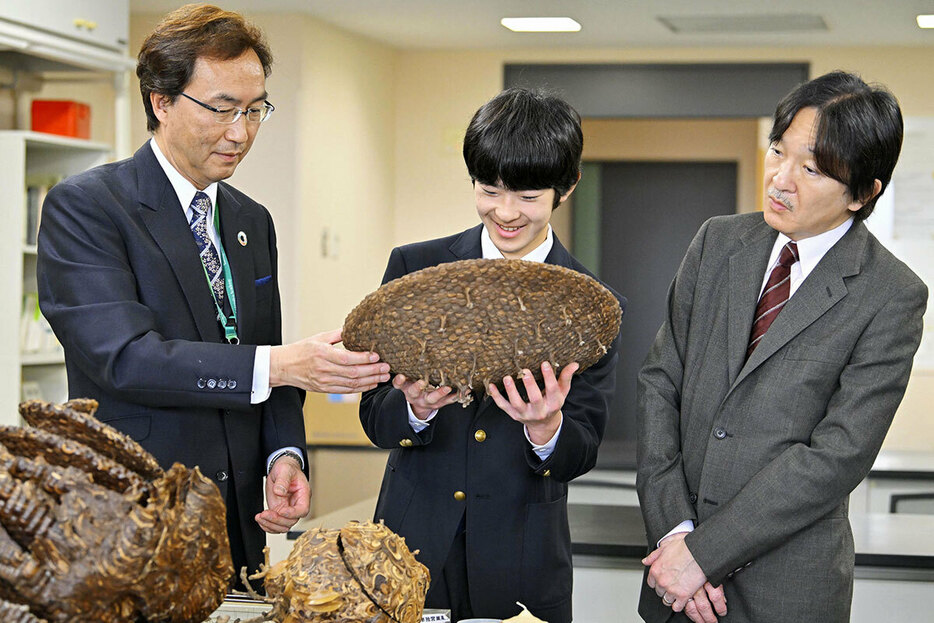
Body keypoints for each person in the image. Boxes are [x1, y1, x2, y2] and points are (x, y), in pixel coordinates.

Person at [36, 4, 389, 586]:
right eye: (222, 109)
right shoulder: (90, 207)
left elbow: (262, 349)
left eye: (255, 111)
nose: (241, 133)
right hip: (139, 522)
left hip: (240, 520)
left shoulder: (252, 220)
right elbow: (122, 358)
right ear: (161, 101)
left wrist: (284, 455)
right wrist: (282, 364)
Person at [636, 70, 927, 623]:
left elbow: (838, 454)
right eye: (777, 151)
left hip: (787, 591)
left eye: (812, 169)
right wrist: (676, 536)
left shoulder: (891, 294)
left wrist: (704, 555)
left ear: (864, 192)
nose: (780, 180)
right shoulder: (717, 242)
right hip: (671, 575)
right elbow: (660, 382)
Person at [358, 87, 624, 623]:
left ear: (565, 187)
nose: (505, 213)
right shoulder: (414, 270)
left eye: (528, 196)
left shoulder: (590, 303)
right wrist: (417, 408)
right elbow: (376, 419)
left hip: (523, 559)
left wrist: (547, 428)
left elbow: (582, 451)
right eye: (489, 190)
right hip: (409, 550)